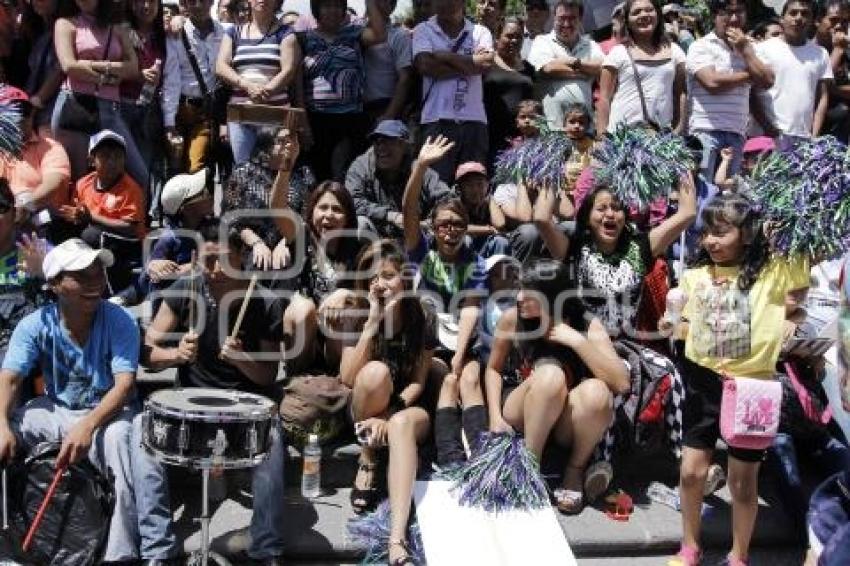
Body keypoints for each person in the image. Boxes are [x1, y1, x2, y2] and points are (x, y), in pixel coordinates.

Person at [0, 238, 179, 563]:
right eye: (82, 276)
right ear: (55, 284)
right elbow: (10, 379)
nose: (95, 283)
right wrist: (0, 423)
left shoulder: (119, 320)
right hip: (57, 410)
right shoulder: (34, 325)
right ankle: (7, 545)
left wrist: (88, 425)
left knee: (122, 439)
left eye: (98, 274)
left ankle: (119, 555)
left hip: (109, 414)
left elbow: (124, 386)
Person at [664, 193, 811, 566]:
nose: (710, 240)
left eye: (721, 231)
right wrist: (673, 324)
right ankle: (690, 546)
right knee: (691, 473)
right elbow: (683, 324)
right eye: (706, 233)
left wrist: (791, 319)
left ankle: (739, 555)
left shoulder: (774, 270)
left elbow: (802, 284)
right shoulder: (694, 275)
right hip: (702, 381)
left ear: (747, 233)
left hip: (753, 389)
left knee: (743, 483)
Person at [143, 220, 286, 565]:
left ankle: (265, 545)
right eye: (207, 261)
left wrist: (242, 360)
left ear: (242, 257)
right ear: (195, 257)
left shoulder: (263, 301)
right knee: (142, 440)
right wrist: (174, 355)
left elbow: (268, 374)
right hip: (191, 405)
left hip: (245, 407)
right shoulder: (185, 289)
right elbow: (147, 350)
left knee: (274, 444)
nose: (216, 270)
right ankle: (156, 547)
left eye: (224, 260)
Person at [485, 259, 630, 514]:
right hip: (522, 407)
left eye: (528, 293)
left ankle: (574, 470)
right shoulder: (511, 319)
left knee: (597, 392)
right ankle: (528, 470)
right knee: (550, 375)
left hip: (564, 421)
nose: (518, 297)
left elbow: (621, 382)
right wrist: (495, 416)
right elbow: (493, 369)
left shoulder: (585, 323)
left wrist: (577, 341)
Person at [338, 239, 447, 566]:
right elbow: (347, 378)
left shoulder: (423, 316)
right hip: (362, 406)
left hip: (404, 407)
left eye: (387, 275)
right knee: (375, 372)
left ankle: (396, 539)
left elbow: (418, 381)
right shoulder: (356, 312)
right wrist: (371, 325)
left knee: (400, 423)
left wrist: (389, 414)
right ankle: (369, 457)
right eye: (371, 277)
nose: (378, 284)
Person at [268, 130, 367, 373]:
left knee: (347, 309)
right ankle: (297, 379)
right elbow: (277, 208)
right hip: (306, 337)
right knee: (303, 308)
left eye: (337, 209)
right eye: (322, 208)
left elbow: (372, 298)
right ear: (311, 212)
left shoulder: (360, 248)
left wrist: (345, 294)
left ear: (347, 218)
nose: (329, 215)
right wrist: (286, 165)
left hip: (338, 339)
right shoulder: (302, 237)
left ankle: (341, 383)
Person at [403, 136, 486, 382]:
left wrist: (459, 357)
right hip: (425, 341)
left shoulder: (475, 261)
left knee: (469, 378)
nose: (451, 230)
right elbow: (409, 209)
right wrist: (420, 167)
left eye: (458, 224)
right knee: (439, 375)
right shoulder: (420, 251)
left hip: (461, 339)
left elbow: (471, 307)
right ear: (433, 229)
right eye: (444, 225)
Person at [52, 0, 149, 189]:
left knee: (139, 178)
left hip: (110, 110)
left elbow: (132, 67)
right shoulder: (65, 23)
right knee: (80, 182)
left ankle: (123, 218)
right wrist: (109, 76)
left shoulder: (118, 26)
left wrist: (90, 65)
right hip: (75, 108)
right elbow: (69, 66)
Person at [295, 0, 388, 182]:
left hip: (350, 120)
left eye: (338, 6)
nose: (333, 10)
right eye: (327, 5)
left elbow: (379, 33)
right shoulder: (303, 39)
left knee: (345, 177)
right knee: (318, 178)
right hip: (316, 120)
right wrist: (302, 122)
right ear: (317, 9)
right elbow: (297, 85)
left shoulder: (354, 35)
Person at [686, 0, 774, 180]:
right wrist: (749, 75)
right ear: (714, 16)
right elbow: (712, 83)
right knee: (705, 193)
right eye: (727, 13)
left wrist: (746, 51)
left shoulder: (751, 47)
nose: (734, 18)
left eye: (739, 11)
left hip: (737, 133)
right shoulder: (701, 46)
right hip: (705, 132)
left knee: (729, 197)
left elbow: (767, 80)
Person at [412, 0, 494, 183]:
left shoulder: (480, 32)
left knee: (473, 187)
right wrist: (471, 63)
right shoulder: (423, 30)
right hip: (437, 121)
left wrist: (444, 56)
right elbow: (425, 65)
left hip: (474, 122)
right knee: (437, 185)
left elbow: (486, 65)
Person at [56, 130, 146, 293]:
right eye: (105, 155)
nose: (112, 161)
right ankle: (63, 282)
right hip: (95, 232)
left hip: (128, 242)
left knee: (92, 235)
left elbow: (129, 227)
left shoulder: (131, 188)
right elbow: (78, 212)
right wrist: (75, 216)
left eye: (118, 156)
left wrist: (92, 217)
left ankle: (110, 289)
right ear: (91, 160)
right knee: (57, 228)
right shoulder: (83, 183)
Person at [216, 0, 298, 164]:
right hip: (241, 115)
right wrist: (247, 86)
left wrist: (262, 92)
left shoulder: (286, 33)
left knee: (274, 170)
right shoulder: (233, 32)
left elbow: (288, 70)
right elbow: (221, 67)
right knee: (244, 171)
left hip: (276, 115)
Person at [223, 127, 312, 272]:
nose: (288, 146)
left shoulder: (304, 174)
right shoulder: (242, 173)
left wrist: (287, 242)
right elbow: (232, 219)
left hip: (290, 241)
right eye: (281, 141)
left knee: (287, 265)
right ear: (267, 146)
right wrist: (257, 243)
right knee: (257, 264)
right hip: (250, 243)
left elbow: (306, 216)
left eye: (291, 142)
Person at [347, 119, 452, 240]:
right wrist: (390, 215)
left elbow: (447, 199)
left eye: (388, 141)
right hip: (377, 238)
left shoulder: (419, 169)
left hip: (416, 237)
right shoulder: (361, 166)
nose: (381, 147)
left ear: (404, 146)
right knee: (361, 224)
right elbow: (352, 202)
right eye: (377, 142)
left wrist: (429, 222)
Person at [597, 0, 687, 133]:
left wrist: (678, 128)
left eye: (649, 10)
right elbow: (604, 97)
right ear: (627, 21)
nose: (644, 15)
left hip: (661, 138)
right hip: (622, 138)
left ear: (658, 14)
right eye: (636, 12)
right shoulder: (618, 52)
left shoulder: (675, 51)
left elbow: (681, 93)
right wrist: (601, 135)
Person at [753, 0, 833, 148]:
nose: (798, 18)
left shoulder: (820, 53)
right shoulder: (762, 50)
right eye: (793, 13)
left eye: (805, 14)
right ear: (782, 18)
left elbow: (822, 97)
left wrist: (813, 136)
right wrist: (769, 129)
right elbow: (751, 93)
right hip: (767, 137)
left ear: (812, 20)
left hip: (804, 139)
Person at [161, 0, 227, 174]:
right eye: (191, 1)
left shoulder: (225, 32)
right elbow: (171, 80)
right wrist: (169, 124)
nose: (198, 5)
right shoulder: (176, 34)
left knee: (196, 168)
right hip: (182, 110)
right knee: (175, 171)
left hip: (206, 113)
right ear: (184, 3)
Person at [527, 0, 604, 130]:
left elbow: (601, 67)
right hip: (553, 127)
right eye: (562, 18)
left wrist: (574, 62)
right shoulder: (542, 41)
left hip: (584, 129)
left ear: (580, 19)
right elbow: (549, 68)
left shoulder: (591, 45)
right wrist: (585, 71)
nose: (566, 24)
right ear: (554, 17)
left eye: (572, 18)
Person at [122, 0, 167, 214]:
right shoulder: (122, 32)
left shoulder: (164, 36)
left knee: (144, 168)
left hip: (149, 110)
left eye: (151, 2)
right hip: (121, 107)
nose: (146, 6)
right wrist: (138, 74)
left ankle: (140, 221)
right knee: (122, 168)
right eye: (140, 1)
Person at [0, 86, 71, 219]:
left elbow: (53, 184)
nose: (20, 117)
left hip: (38, 216)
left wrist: (26, 205)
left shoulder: (51, 147)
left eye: (25, 111)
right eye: (13, 111)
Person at [483, 16, 535, 166]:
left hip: (521, 139)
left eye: (518, 37)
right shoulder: (486, 64)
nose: (514, 41)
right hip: (490, 137)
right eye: (509, 36)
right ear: (498, 37)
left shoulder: (528, 68)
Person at [363, 0, 413, 123]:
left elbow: (405, 79)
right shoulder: (354, 31)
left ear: (392, 6)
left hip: (385, 107)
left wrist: (388, 116)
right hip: (356, 111)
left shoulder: (399, 35)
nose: (375, 4)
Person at [19, 0, 62, 131]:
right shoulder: (38, 32)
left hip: (52, 113)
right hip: (33, 112)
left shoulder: (64, 27)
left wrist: (36, 101)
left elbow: (59, 70)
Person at [453, 161, 510, 258]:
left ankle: (498, 272)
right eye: (469, 185)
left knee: (501, 241)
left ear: (487, 185)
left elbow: (500, 224)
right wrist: (488, 229)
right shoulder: (453, 204)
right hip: (460, 254)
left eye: (480, 184)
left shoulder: (489, 202)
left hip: (484, 249)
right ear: (460, 188)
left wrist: (489, 197)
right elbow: (457, 228)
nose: (475, 190)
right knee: (465, 240)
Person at [814, 0, 850, 143]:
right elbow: (816, 87)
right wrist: (837, 51)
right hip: (816, 134)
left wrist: (833, 89)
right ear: (817, 21)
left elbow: (826, 86)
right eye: (834, 20)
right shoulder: (808, 51)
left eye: (845, 21)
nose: (839, 26)